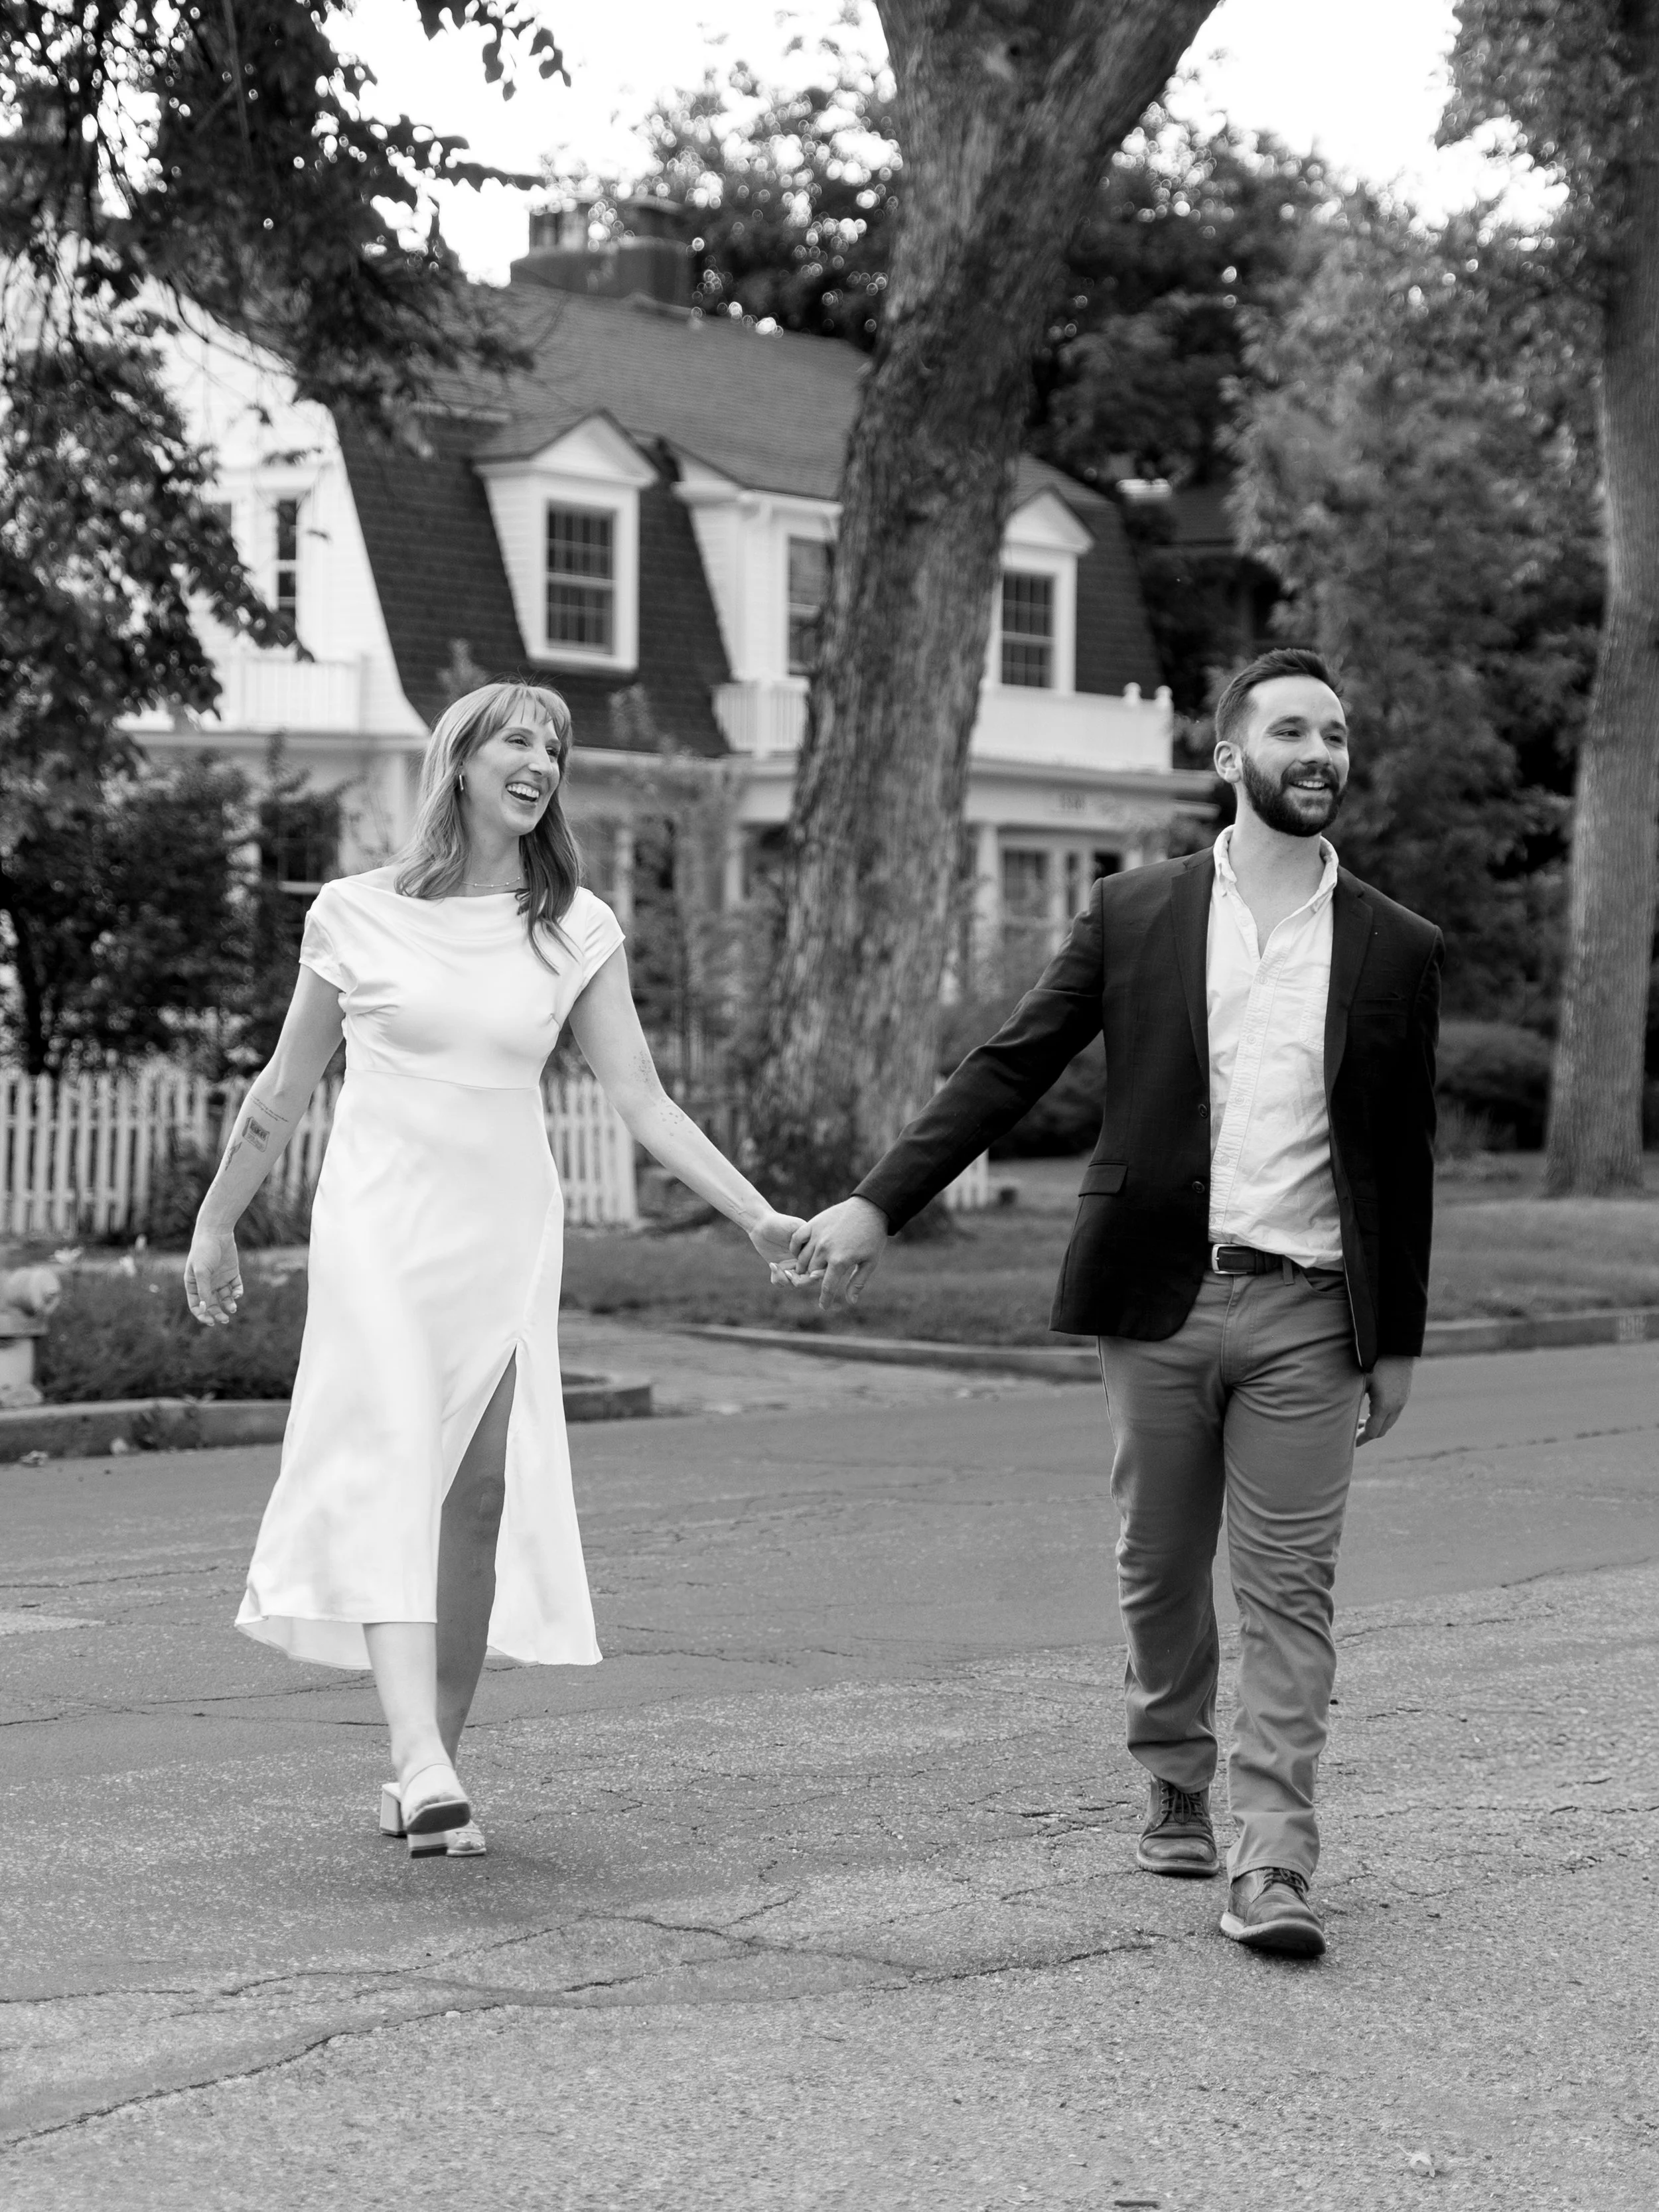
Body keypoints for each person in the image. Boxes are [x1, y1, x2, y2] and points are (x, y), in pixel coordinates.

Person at [790, 647, 1441, 1957]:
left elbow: (1399, 1151)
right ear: (1225, 758)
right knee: (1155, 1569)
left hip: (1310, 1308)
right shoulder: (1133, 911)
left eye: (1335, 732)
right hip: (1156, 1297)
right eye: (1291, 730)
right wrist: (876, 1200)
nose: (1318, 752)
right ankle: (1172, 1768)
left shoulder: (1392, 943)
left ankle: (1271, 1860)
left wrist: (1397, 1334)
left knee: (1286, 1589)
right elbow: (1008, 1065)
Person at [186, 681, 801, 1859]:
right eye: (518, 738)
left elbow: (644, 1100)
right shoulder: (353, 913)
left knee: (476, 1494)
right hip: (377, 1223)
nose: (540, 759)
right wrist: (218, 1220)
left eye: (555, 746)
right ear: (460, 759)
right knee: (387, 1464)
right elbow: (281, 1089)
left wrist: (758, 1216)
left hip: (504, 1224)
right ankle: (416, 1756)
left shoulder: (574, 925)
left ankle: (432, 1766)